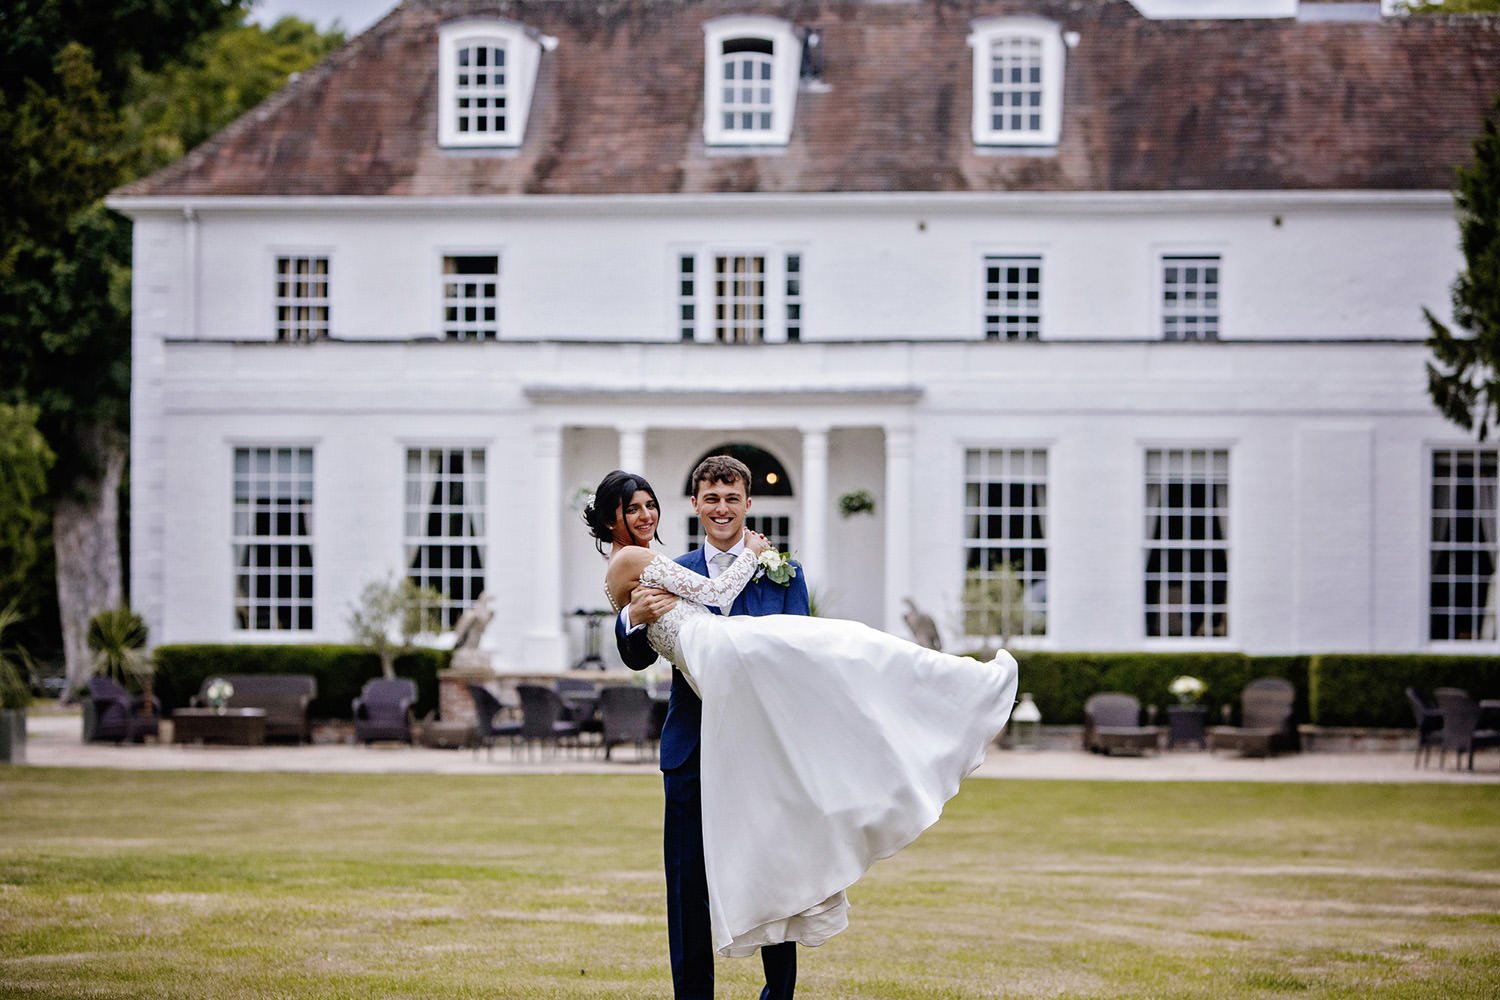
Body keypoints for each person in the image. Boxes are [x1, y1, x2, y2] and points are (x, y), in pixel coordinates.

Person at [591, 457, 1017, 1000]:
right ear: (696, 506)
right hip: (695, 744)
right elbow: (636, 644)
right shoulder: (660, 564)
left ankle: (779, 993)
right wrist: (633, 616)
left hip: (770, 744)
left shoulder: (783, 570)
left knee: (781, 856)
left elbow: (805, 660)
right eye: (710, 499)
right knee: (686, 883)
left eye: (731, 499)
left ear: (747, 504)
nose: (721, 508)